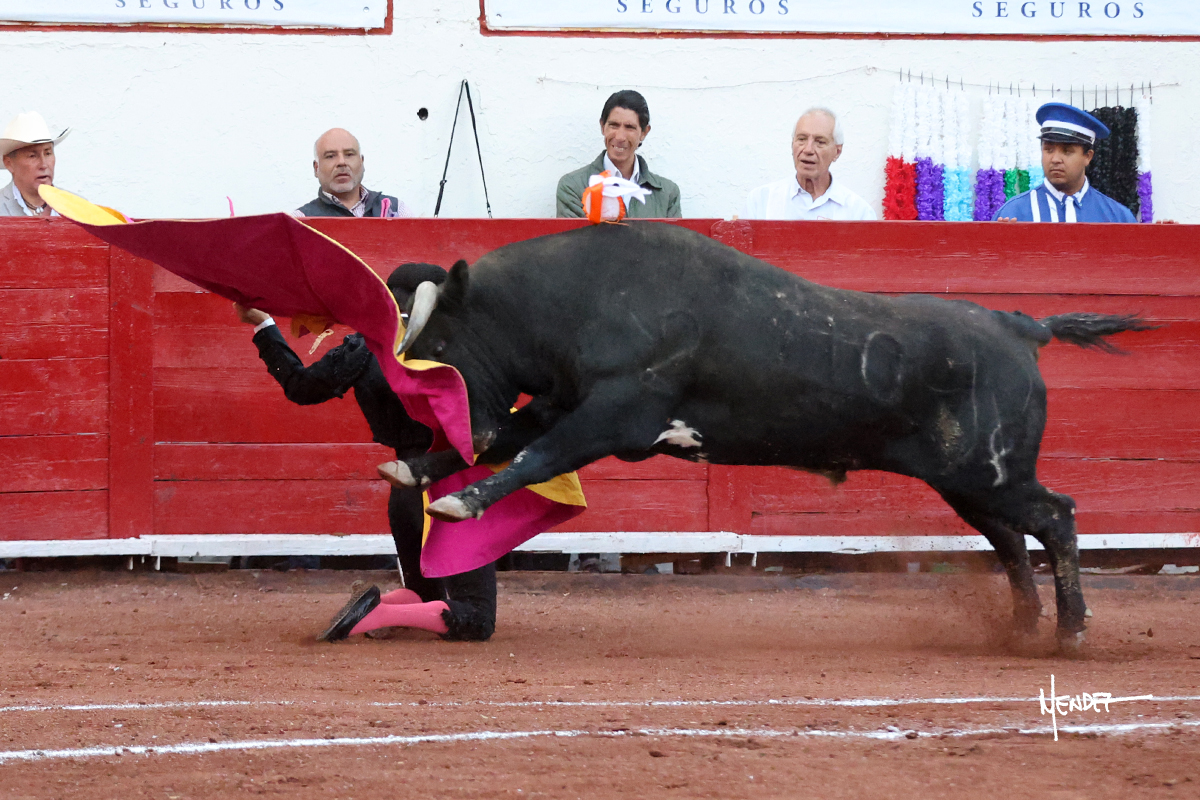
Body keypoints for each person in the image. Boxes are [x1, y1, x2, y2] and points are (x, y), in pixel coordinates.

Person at [234, 263, 495, 642]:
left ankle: (380, 604)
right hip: (449, 490)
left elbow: (300, 386)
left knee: (425, 595)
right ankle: (378, 612)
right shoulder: (461, 346)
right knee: (477, 619)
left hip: (404, 497)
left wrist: (263, 324)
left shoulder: (365, 346)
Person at [994, 102, 1136, 223]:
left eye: (1067, 151)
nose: (1055, 159)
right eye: (1049, 150)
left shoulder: (1117, 218)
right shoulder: (1013, 214)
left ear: (1088, 156)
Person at [556, 90, 681, 219]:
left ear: (644, 132)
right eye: (614, 125)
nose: (620, 137)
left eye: (630, 127)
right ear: (602, 126)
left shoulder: (667, 193)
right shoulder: (573, 187)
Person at [742, 107, 875, 221]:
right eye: (802, 139)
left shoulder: (858, 213)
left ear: (837, 151)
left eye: (820, 142)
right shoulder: (761, 200)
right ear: (792, 144)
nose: (808, 149)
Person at [296, 128, 412, 218]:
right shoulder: (300, 221)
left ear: (362, 162)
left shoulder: (396, 210)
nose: (341, 162)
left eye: (349, 154)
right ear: (316, 168)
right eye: (330, 156)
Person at [1, 111, 69, 218]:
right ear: (9, 163)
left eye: (48, 153)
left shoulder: (78, 208)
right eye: (32, 156)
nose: (44, 164)